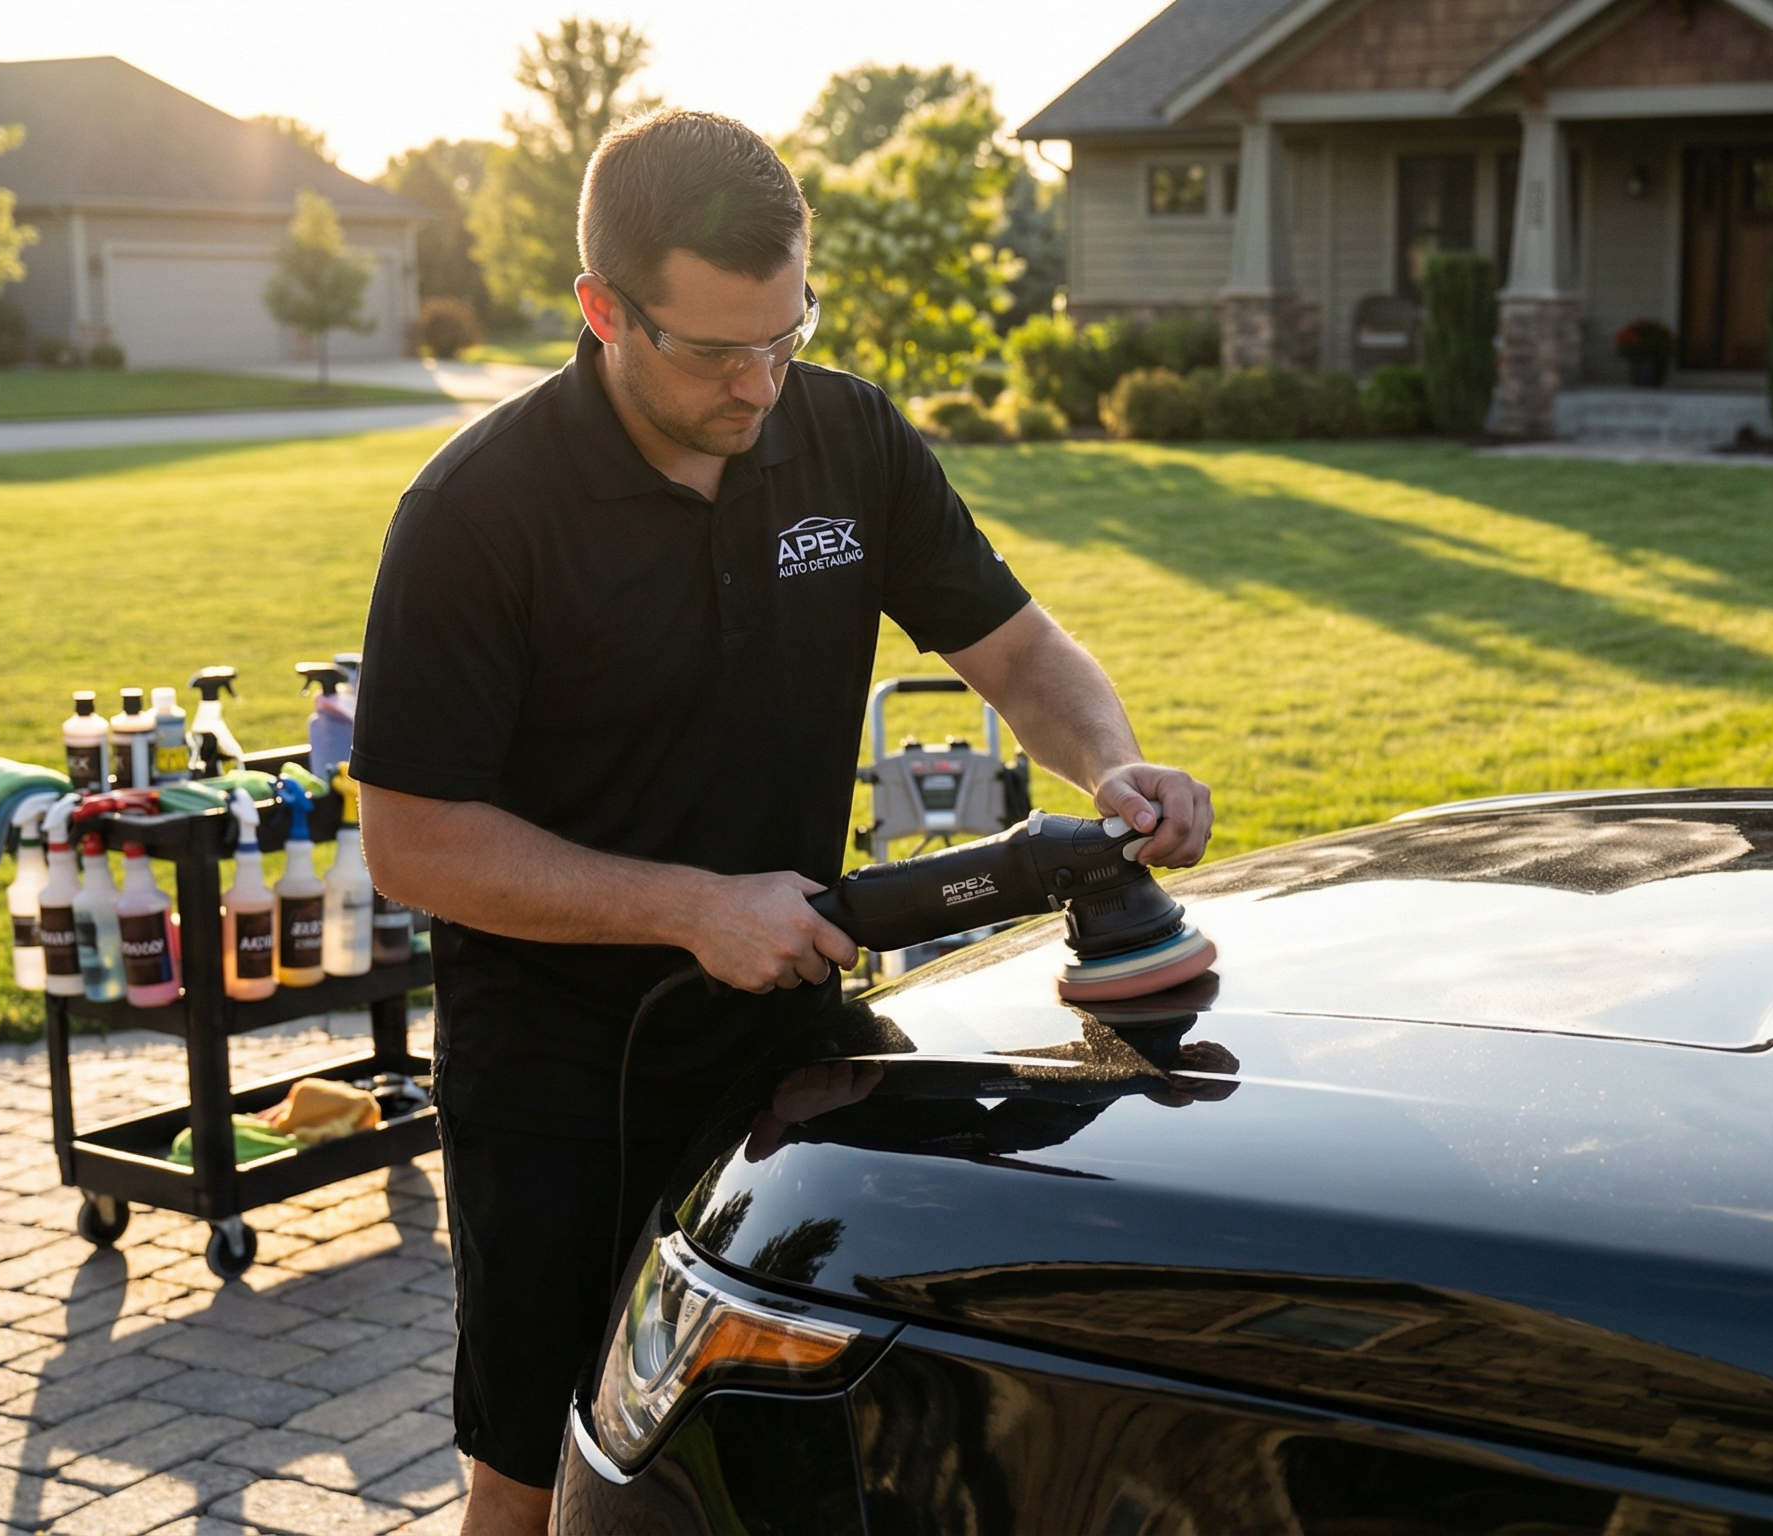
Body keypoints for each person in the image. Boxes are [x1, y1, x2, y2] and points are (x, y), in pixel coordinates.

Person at [347, 109, 1211, 1535]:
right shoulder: (478, 511)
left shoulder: (844, 431)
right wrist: (691, 905)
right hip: (567, 1082)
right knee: (537, 1469)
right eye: (713, 351)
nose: (759, 382)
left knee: (795, 1448)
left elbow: (1017, 650)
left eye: (787, 333)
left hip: (796, 1047)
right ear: (602, 310)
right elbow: (416, 842)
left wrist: (1110, 767)